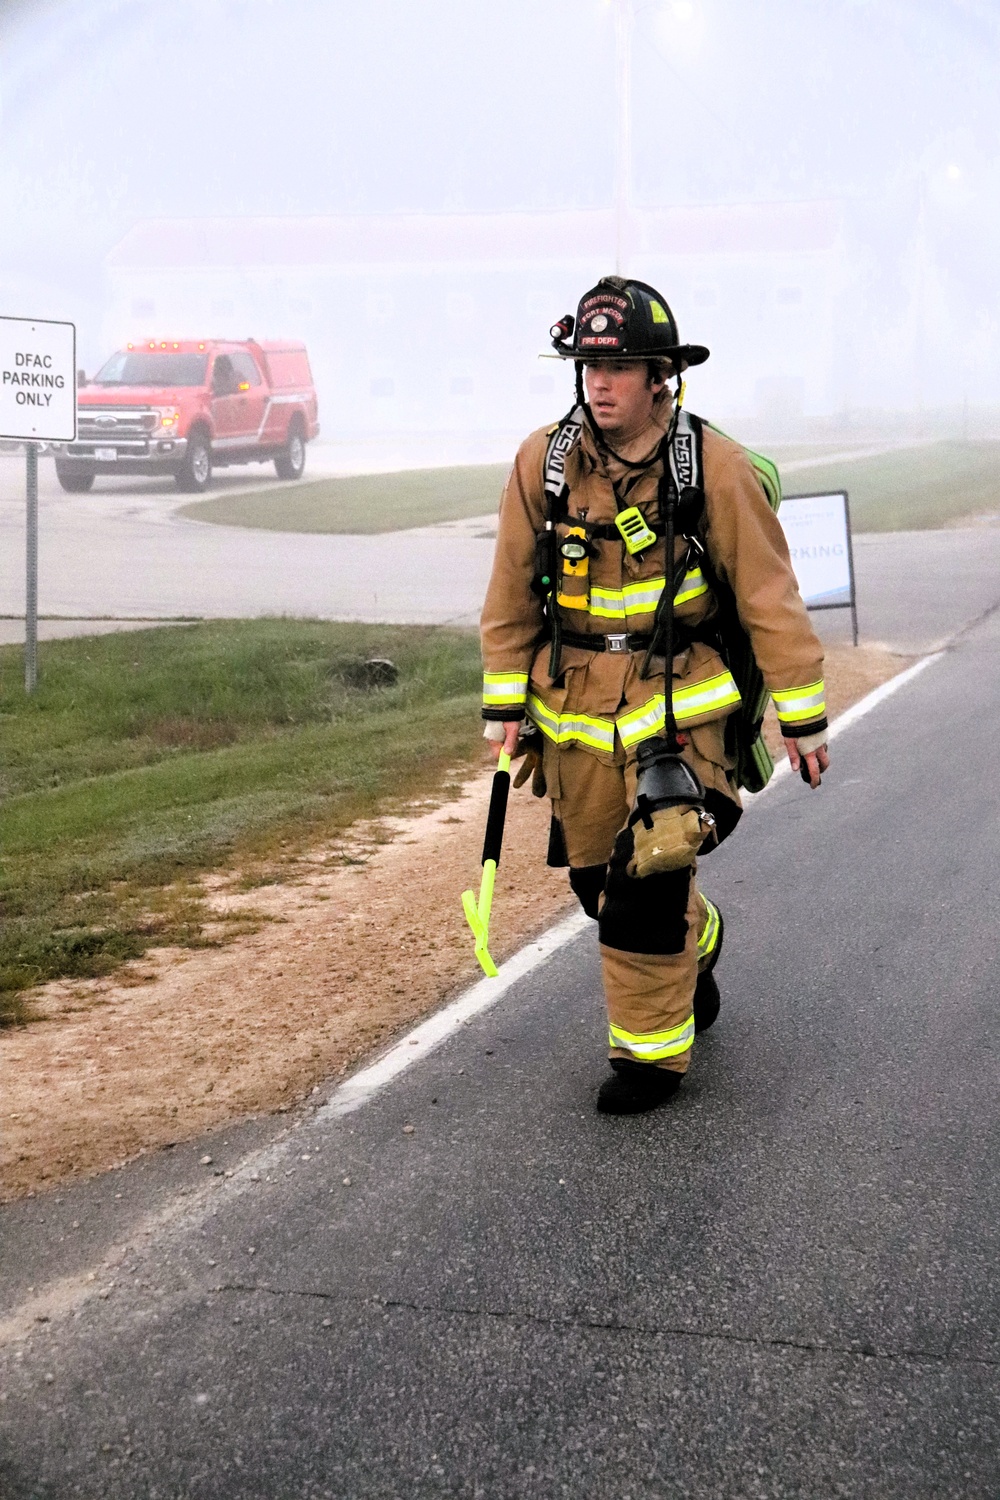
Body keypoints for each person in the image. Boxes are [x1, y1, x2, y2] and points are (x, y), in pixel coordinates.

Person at [479, 275, 829, 1115]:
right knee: (600, 887)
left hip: (682, 705)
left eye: (622, 366)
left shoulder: (714, 466)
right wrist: (504, 709)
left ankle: (650, 1062)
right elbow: (509, 596)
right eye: (590, 366)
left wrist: (800, 714)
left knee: (655, 865)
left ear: (662, 375)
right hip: (574, 716)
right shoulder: (544, 463)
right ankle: (695, 937)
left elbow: (768, 596)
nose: (601, 383)